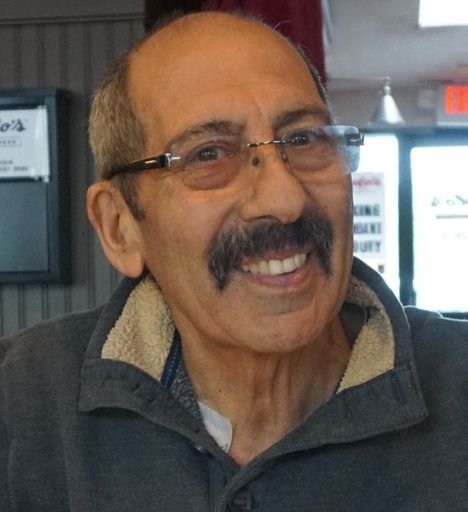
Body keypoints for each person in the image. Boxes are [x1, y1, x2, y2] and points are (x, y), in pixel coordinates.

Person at [1, 10, 468, 512]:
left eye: (304, 139)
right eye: (208, 154)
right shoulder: (21, 405)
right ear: (120, 227)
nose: (285, 200)